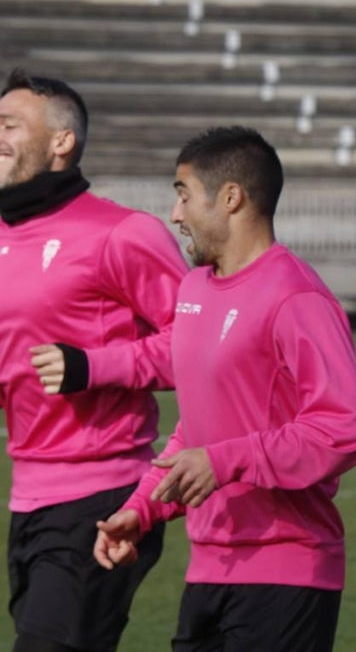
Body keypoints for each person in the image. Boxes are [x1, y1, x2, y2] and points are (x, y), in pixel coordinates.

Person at [85, 127, 356, 652]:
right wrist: (142, 508)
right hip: (207, 571)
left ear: (230, 198)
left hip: (287, 574)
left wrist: (224, 462)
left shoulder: (296, 296)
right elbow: (197, 430)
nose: (175, 215)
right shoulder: (194, 288)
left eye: (182, 194)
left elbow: (347, 429)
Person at [0, 69, 185, 652]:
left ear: (62, 142)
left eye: (8, 125)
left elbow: (204, 349)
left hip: (105, 496)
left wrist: (94, 366)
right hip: (27, 498)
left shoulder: (123, 233)